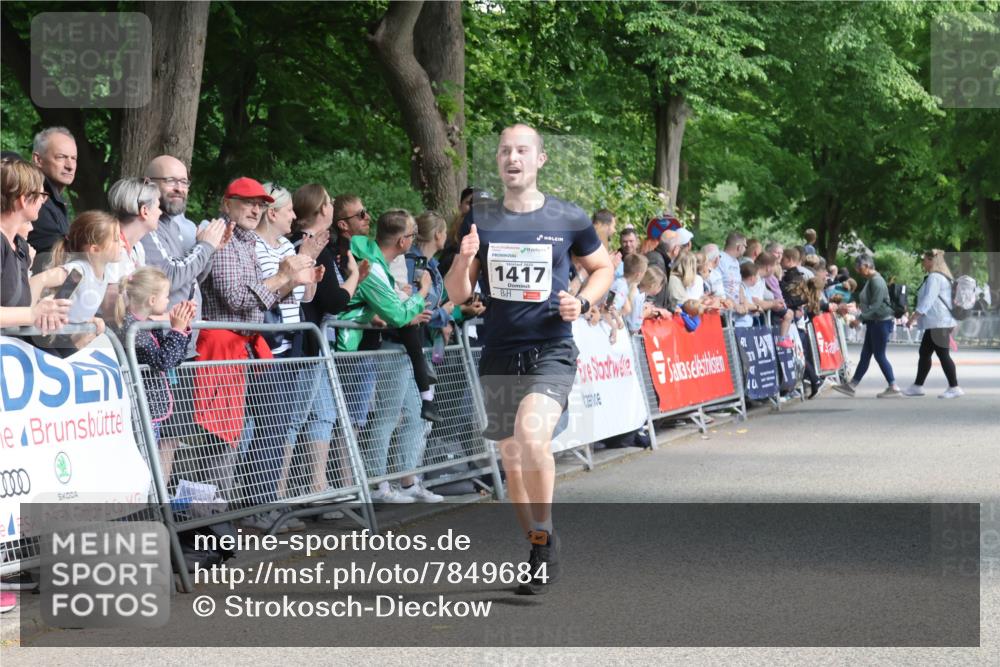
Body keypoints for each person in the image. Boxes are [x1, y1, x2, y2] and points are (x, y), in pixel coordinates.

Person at [444, 123, 613, 595]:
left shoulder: (567, 216)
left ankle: (544, 539)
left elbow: (603, 267)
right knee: (513, 459)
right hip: (499, 350)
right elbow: (459, 294)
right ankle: (541, 543)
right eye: (503, 151)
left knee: (530, 435)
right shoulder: (481, 217)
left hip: (551, 348)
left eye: (522, 150)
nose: (511, 157)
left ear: (539, 160)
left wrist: (582, 301)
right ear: (497, 161)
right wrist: (463, 257)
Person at [198, 177, 318, 530]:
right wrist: (283, 277)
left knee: (266, 426)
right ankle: (206, 521)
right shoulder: (220, 239)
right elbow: (237, 298)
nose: (255, 209)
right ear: (227, 202)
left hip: (250, 345)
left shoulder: (248, 242)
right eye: (247, 202)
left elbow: (258, 299)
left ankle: (245, 509)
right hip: (223, 348)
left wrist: (290, 281)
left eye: (260, 204)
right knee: (220, 438)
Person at [336, 208, 442, 504]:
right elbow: (398, 315)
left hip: (363, 346)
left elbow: (393, 307)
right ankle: (376, 484)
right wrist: (421, 293)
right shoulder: (373, 264)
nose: (413, 241)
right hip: (352, 347)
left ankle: (404, 481)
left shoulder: (378, 262)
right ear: (402, 241)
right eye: (411, 236)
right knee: (381, 417)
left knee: (408, 414)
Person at [289, 184, 369, 499]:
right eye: (331, 202)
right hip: (304, 343)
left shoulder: (316, 243)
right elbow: (334, 300)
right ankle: (280, 493)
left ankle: (318, 487)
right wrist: (355, 276)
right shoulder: (310, 245)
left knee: (323, 414)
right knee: (293, 419)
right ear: (323, 210)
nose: (333, 206)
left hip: (316, 344)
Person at [111, 266, 194, 478]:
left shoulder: (146, 324)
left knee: (150, 459)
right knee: (143, 462)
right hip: (141, 408)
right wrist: (177, 330)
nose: (169, 301)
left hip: (151, 408)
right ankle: (143, 508)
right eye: (166, 296)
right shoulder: (132, 329)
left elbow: (173, 357)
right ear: (151, 300)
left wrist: (182, 329)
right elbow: (162, 360)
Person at [28, 211, 122, 352]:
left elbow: (69, 306)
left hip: (66, 338)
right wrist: (29, 315)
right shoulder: (79, 272)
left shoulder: (105, 274)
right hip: (53, 341)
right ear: (95, 250)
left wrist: (89, 319)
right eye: (116, 239)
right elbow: (38, 280)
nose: (122, 243)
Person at [0, 157, 70, 331]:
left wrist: (47, 310)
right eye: (42, 195)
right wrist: (33, 314)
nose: (44, 201)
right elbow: (26, 314)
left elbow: (19, 307)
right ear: (24, 200)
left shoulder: (21, 246)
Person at [834, 254, 901, 398]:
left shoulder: (876, 281)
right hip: (876, 322)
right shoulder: (873, 280)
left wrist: (860, 319)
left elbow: (876, 305)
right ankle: (852, 385)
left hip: (880, 322)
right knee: (866, 355)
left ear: (865, 266)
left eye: (858, 268)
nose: (858, 271)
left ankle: (893, 386)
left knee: (879, 355)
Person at [903, 250, 963, 399]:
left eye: (925, 260)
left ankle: (954, 387)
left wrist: (913, 317)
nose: (923, 262)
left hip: (939, 322)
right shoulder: (942, 277)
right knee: (925, 353)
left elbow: (928, 300)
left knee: (943, 355)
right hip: (937, 322)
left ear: (932, 261)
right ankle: (918, 386)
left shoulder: (935, 277)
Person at [27, 127, 76, 264]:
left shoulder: (56, 201)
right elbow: (55, 253)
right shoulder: (32, 197)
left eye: (74, 158)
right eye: (61, 157)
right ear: (38, 160)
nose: (70, 166)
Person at [106, 177, 163, 280]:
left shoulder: (137, 249)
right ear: (144, 211)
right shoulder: (108, 248)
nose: (160, 212)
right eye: (158, 207)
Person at [718, 232, 746, 302]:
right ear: (739, 247)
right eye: (745, 246)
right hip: (724, 307)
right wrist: (734, 305)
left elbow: (738, 284)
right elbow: (718, 286)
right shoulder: (719, 259)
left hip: (735, 308)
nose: (746, 249)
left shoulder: (736, 262)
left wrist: (743, 303)